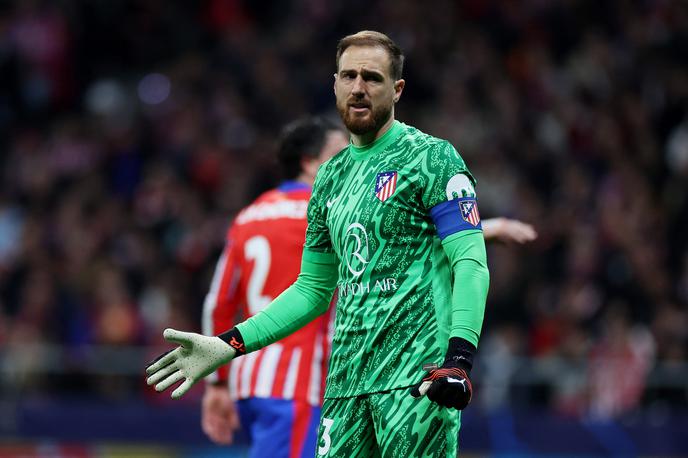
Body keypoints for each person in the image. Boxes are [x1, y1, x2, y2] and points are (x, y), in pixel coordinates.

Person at [147, 30, 528, 456]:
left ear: (397, 89)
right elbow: (312, 290)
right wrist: (227, 343)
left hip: (416, 381)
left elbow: (470, 263)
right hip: (344, 387)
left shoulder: (432, 158)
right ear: (334, 84)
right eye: (349, 76)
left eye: (372, 78)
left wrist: (459, 359)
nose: (359, 88)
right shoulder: (330, 178)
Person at [201, 117, 348, 458]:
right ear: (311, 163)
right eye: (341, 155)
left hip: (250, 379)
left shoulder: (248, 216)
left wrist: (217, 383)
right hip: (297, 383)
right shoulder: (330, 212)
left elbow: (218, 305)